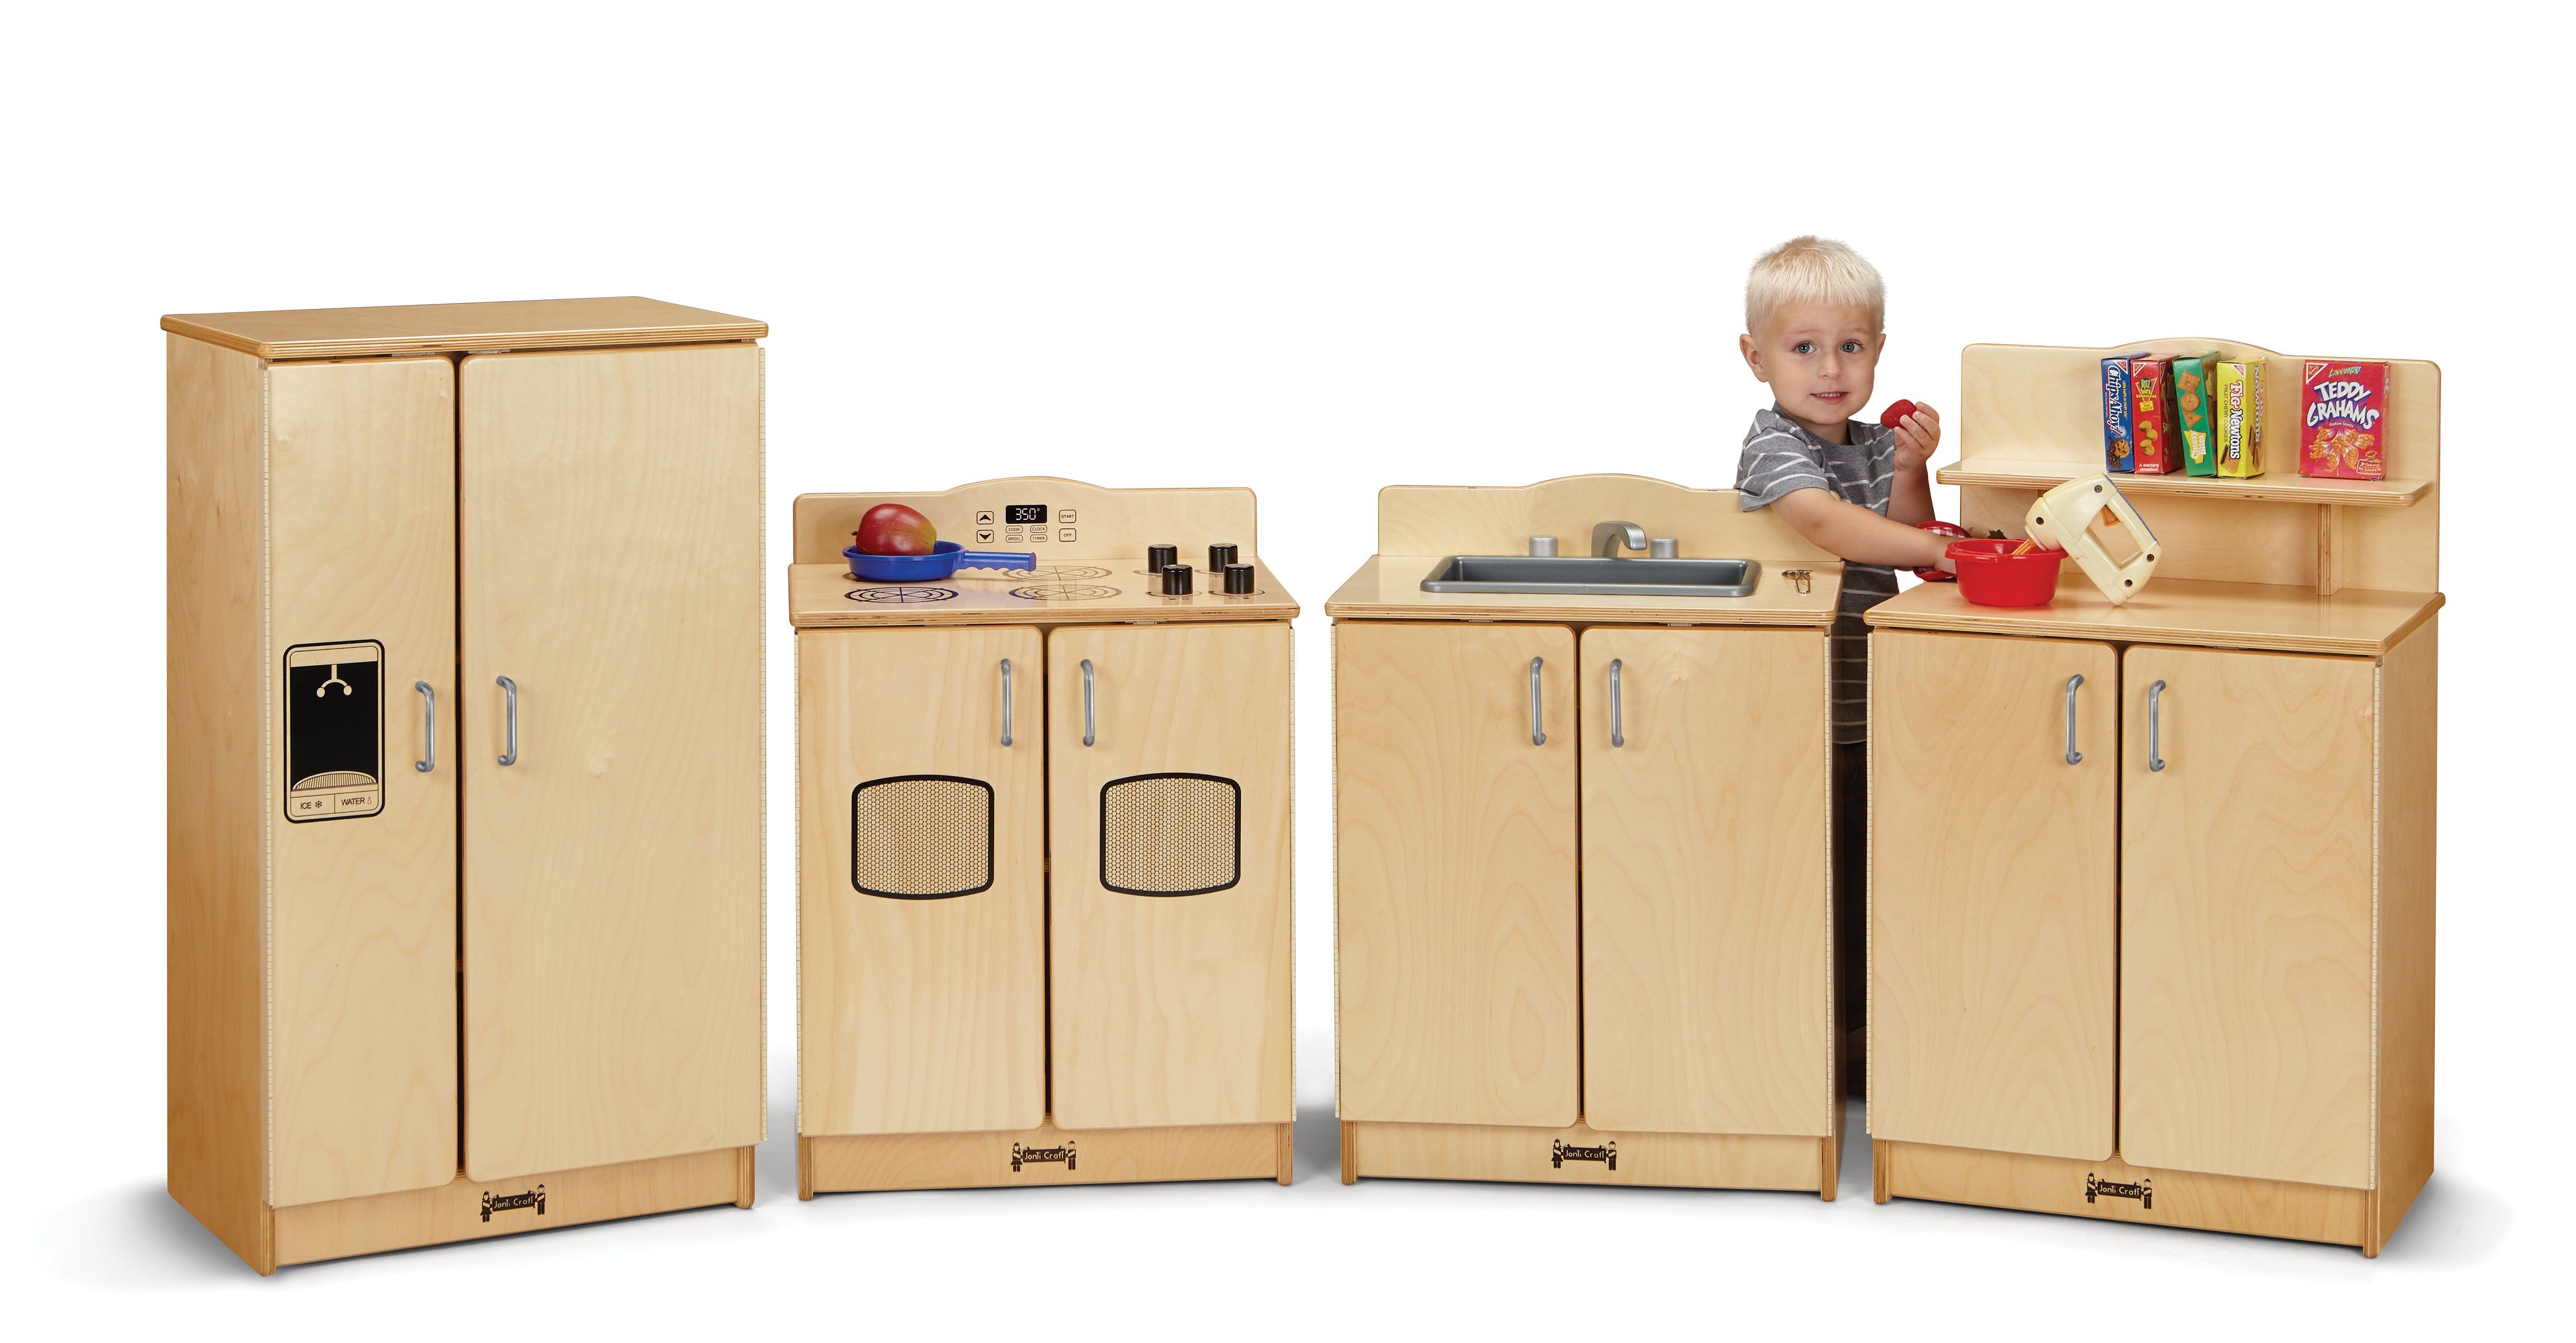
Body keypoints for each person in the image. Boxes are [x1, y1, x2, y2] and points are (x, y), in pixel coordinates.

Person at [1732, 234, 1949, 1096]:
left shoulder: (1870, 445)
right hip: (1797, 714)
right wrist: (1937, 548)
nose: (1830, 368)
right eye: (1803, 347)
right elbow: (1827, 525)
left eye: (1850, 346)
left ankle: (1856, 1040)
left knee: (1868, 878)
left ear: (1878, 351)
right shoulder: (1772, 445)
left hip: (1867, 708)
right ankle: (1803, 1037)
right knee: (1806, 880)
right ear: (1756, 358)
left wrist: (1911, 466)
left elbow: (1906, 533)